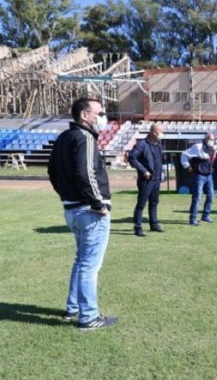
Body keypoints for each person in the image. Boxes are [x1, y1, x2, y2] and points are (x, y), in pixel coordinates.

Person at [48, 97, 118, 331]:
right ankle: (88, 317)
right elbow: (86, 172)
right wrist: (98, 204)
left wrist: (66, 196)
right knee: (89, 266)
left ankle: (73, 308)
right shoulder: (85, 137)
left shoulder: (63, 138)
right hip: (89, 211)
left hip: (72, 209)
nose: (102, 118)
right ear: (84, 115)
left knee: (81, 261)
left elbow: (52, 172)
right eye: (98, 113)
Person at [128, 123, 165, 237]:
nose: (163, 134)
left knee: (154, 203)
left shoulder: (158, 144)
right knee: (141, 204)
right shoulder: (142, 144)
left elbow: (158, 160)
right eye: (161, 132)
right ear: (154, 132)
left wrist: (161, 172)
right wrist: (144, 171)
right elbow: (132, 158)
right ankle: (137, 227)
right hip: (146, 180)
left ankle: (154, 224)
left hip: (156, 179)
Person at [181, 132, 217, 225]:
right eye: (210, 139)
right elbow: (184, 155)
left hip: (209, 175)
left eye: (213, 139)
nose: (211, 141)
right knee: (197, 197)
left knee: (211, 196)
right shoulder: (197, 147)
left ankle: (205, 215)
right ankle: (193, 218)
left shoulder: (213, 148)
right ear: (205, 138)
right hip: (199, 175)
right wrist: (187, 167)